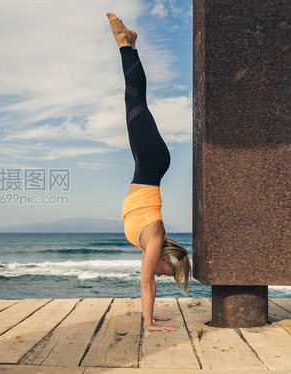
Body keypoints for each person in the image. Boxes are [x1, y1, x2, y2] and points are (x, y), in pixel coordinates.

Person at [106, 12, 192, 333]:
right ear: (167, 257)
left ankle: (129, 45)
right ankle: (126, 45)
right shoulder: (155, 236)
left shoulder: (148, 241)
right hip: (151, 161)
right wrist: (149, 322)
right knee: (134, 99)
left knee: (134, 100)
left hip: (148, 164)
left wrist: (151, 316)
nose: (159, 274)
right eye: (166, 271)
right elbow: (145, 284)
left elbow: (148, 279)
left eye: (163, 275)